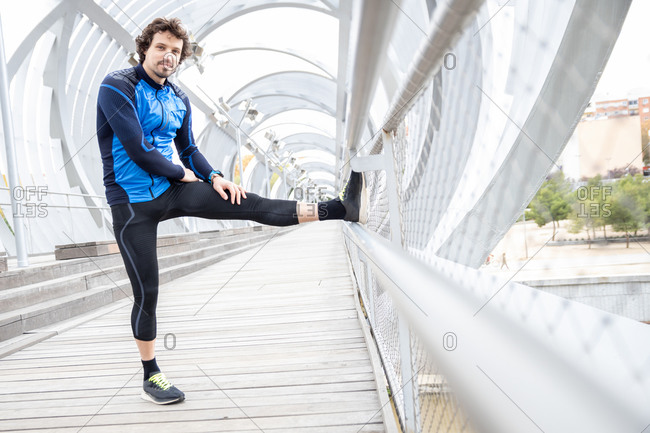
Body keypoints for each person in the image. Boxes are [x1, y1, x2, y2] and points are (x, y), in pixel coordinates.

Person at [96, 17, 367, 405]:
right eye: (161, 48)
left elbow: (188, 148)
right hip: (131, 202)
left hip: (174, 189)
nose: (168, 56)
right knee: (147, 291)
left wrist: (217, 176)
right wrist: (184, 173)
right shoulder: (117, 86)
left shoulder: (179, 99)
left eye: (175, 51)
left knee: (247, 202)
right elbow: (138, 148)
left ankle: (339, 208)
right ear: (145, 48)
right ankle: (151, 373)